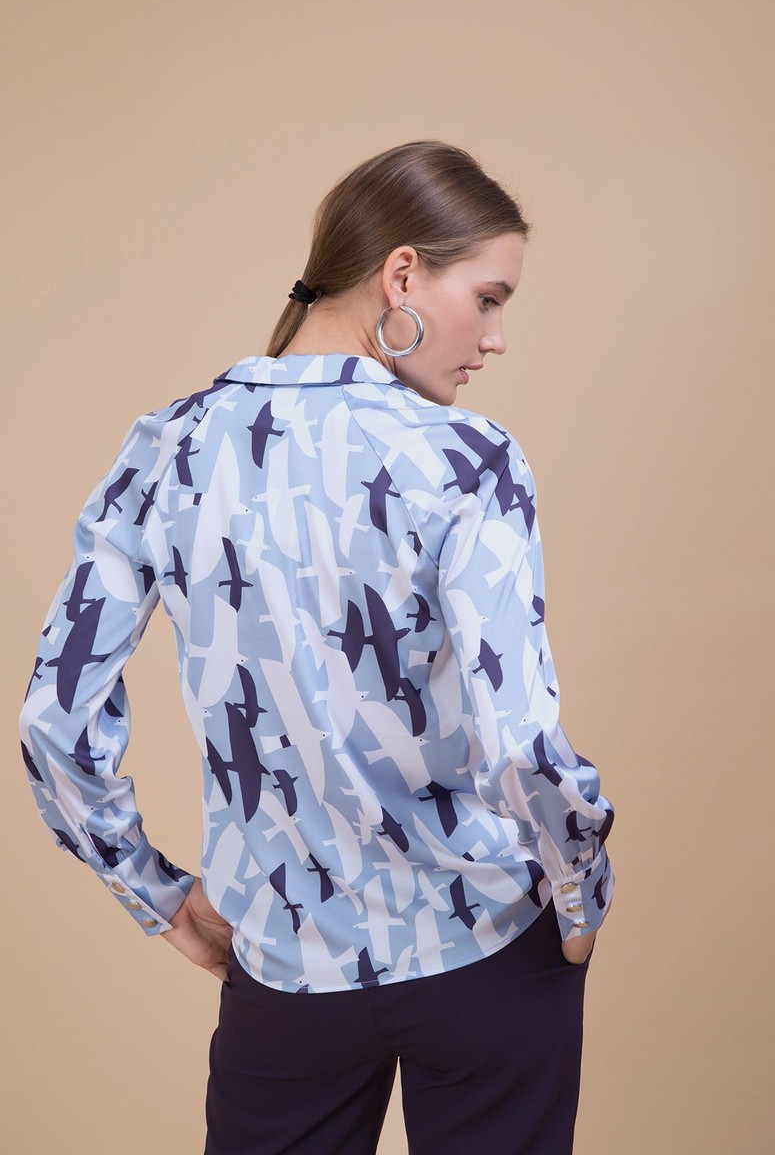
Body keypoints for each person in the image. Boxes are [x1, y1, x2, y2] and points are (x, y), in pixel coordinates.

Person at [20, 140, 614, 1155]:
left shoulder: (168, 448)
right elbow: (520, 740)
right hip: (486, 952)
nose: (496, 339)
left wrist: (155, 894)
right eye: (487, 298)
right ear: (401, 275)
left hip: (285, 970)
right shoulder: (469, 460)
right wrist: (580, 880)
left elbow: (55, 723)